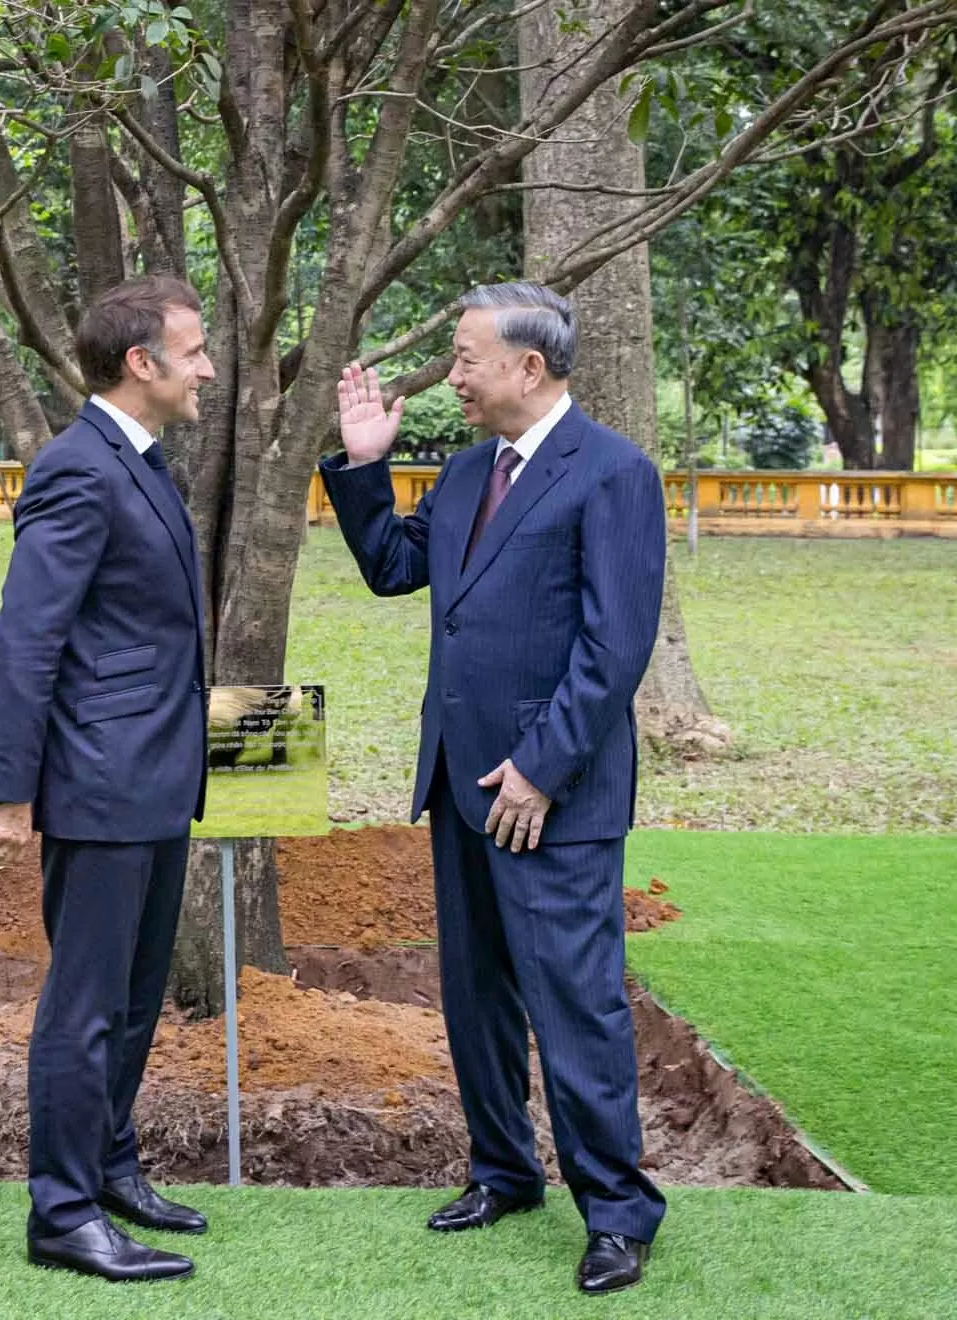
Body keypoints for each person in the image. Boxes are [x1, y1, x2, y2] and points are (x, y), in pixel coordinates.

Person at [320, 282, 669, 1295]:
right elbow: (393, 568)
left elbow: (615, 648)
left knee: (575, 1001)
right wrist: (365, 467)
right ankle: (503, 1173)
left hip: (550, 796)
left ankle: (617, 1213)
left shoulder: (613, 474)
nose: (454, 375)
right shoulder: (470, 472)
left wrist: (542, 769)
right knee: (476, 997)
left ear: (531, 366)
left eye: (467, 356)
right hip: (462, 785)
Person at [0, 274, 215, 1284]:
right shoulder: (77, 469)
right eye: (193, 350)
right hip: (102, 781)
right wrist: (10, 789)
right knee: (84, 1008)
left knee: (131, 998)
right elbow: (28, 636)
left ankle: (111, 1166)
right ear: (141, 363)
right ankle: (62, 1214)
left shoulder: (146, 464)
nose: (207, 367)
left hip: (156, 778)